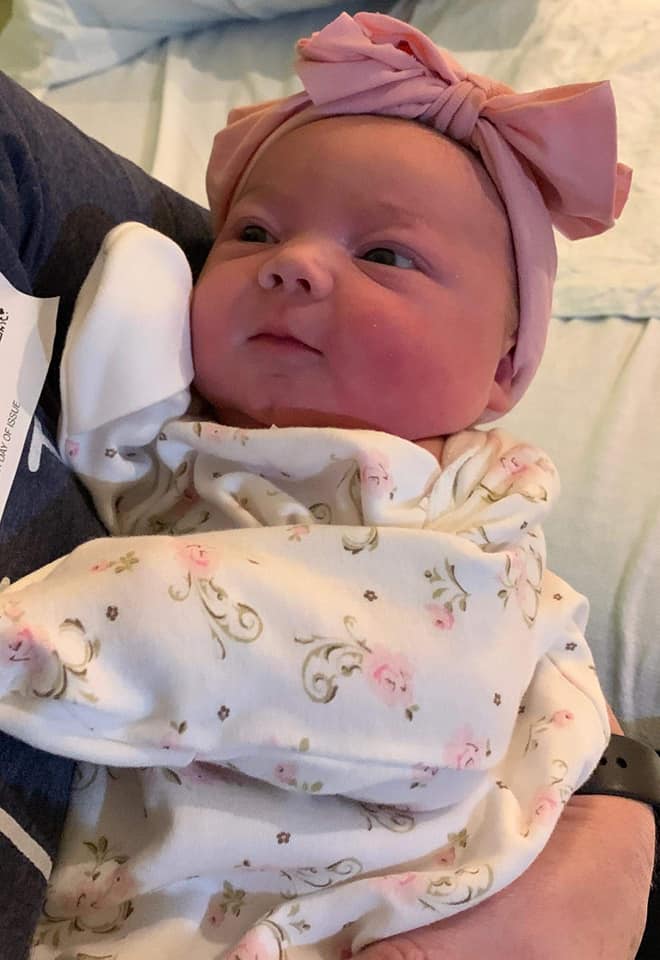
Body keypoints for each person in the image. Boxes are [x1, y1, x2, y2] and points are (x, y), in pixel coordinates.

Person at [0, 11, 655, 960]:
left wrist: (30, 640)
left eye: (384, 254)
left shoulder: (450, 516)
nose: (293, 263)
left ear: (503, 370)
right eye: (253, 231)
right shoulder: (186, 440)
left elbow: (401, 675)